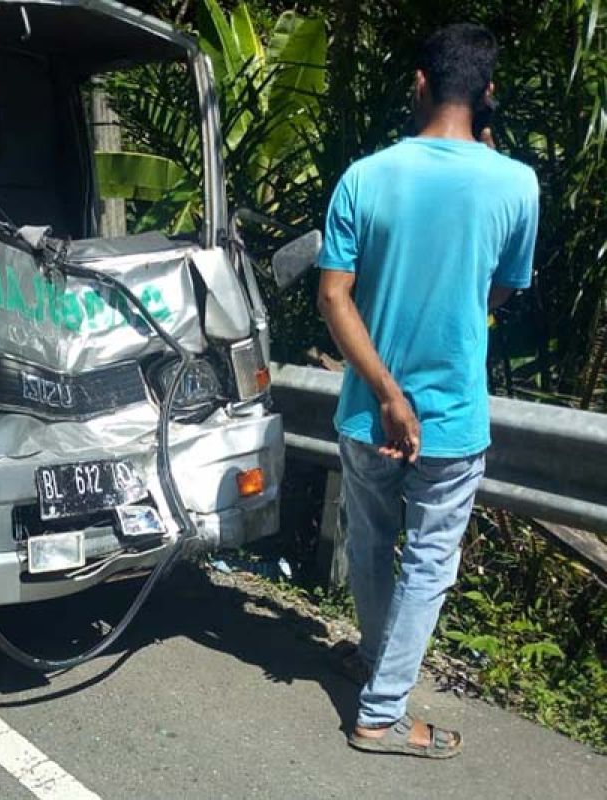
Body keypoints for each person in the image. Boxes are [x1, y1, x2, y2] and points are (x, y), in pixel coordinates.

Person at [316, 24, 539, 758]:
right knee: (429, 563)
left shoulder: (365, 176)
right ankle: (380, 713)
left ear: (419, 84)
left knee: (373, 548)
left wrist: (384, 390)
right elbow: (500, 290)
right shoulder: (516, 184)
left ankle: (377, 668)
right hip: (450, 417)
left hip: (364, 409)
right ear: (489, 95)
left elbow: (334, 296)